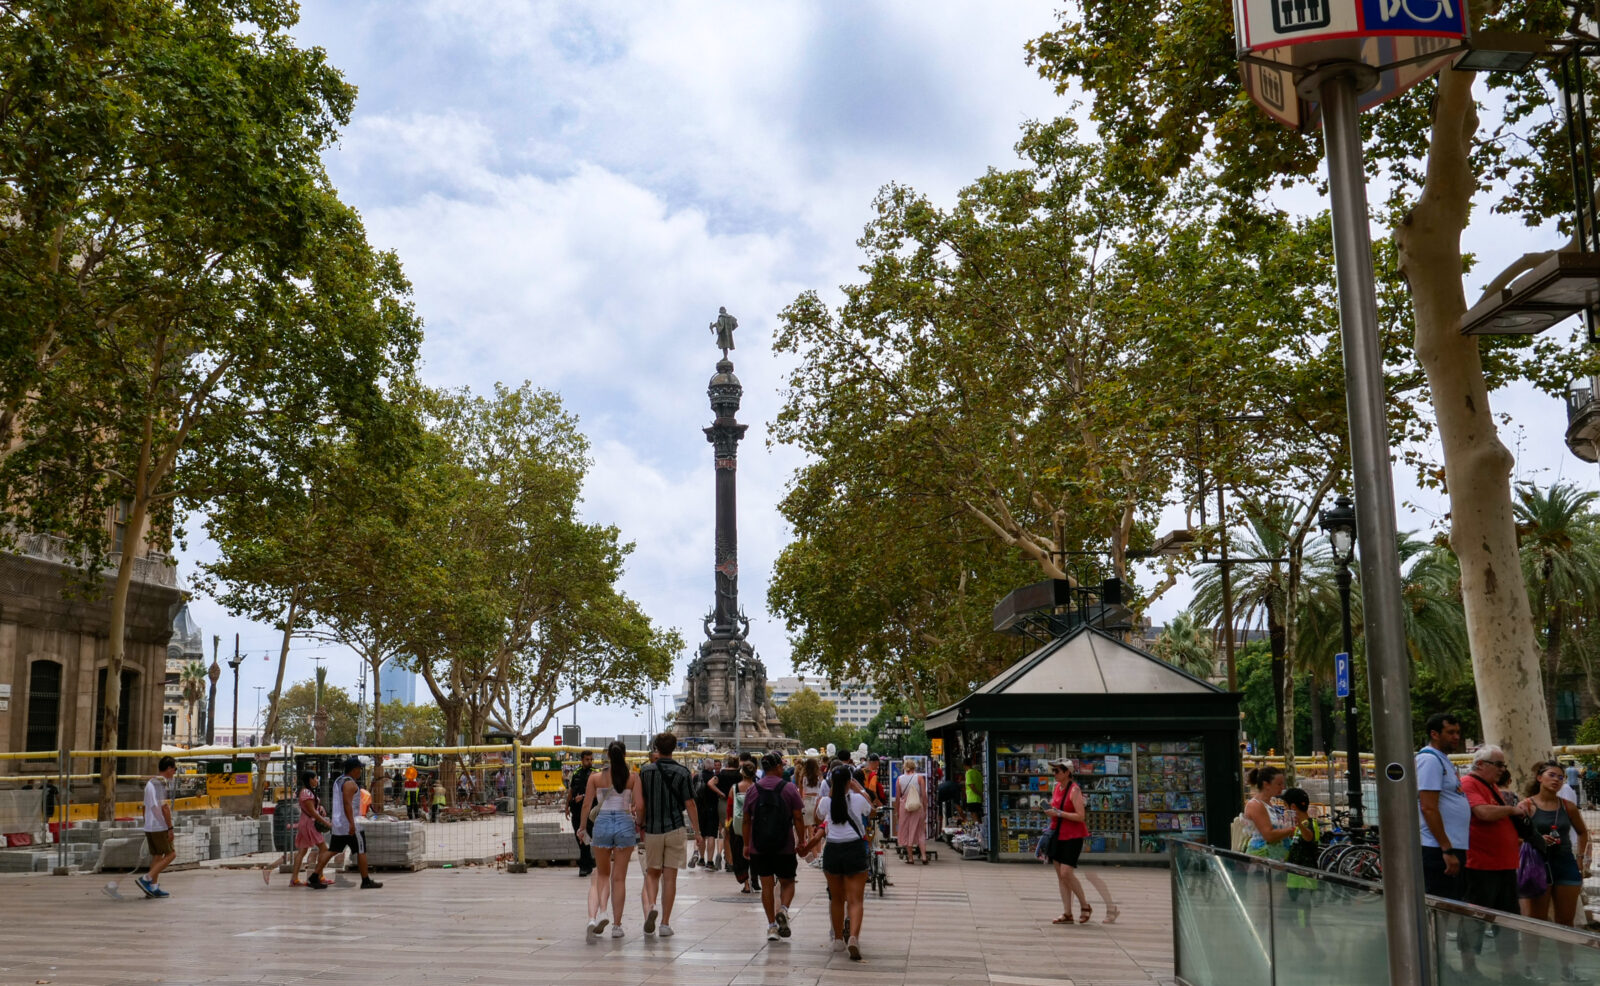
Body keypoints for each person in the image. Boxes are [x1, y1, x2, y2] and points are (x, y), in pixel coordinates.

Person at [1460, 746, 1531, 979]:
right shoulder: (1470, 783)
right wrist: (1512, 810)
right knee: (1475, 918)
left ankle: (1508, 970)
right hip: (1481, 865)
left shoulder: (1491, 787)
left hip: (1503, 864)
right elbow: (1482, 813)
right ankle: (1469, 967)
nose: (1502, 769)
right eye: (1498, 764)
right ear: (1481, 764)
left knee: (1508, 918)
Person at [1519, 760, 1591, 981]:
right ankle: (1532, 966)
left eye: (1560, 777)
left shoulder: (1567, 806)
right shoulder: (1526, 806)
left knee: (1566, 921)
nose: (1557, 780)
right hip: (1538, 866)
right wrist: (1536, 839)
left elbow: (1582, 832)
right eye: (1552, 775)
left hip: (1565, 866)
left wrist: (1581, 859)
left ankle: (1568, 969)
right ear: (1539, 778)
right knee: (1537, 919)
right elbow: (1516, 835)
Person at [743, 751, 809, 944]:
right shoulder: (789, 789)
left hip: (759, 846)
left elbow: (746, 820)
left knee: (767, 886)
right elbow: (798, 817)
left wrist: (746, 844)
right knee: (788, 882)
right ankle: (784, 910)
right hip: (784, 845)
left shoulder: (753, 790)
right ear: (778, 767)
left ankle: (772, 926)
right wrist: (802, 840)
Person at [579, 741, 641, 941]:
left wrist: (582, 828)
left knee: (602, 875)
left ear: (607, 756)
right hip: (624, 821)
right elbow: (638, 805)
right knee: (619, 878)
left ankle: (601, 914)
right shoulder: (632, 777)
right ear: (624, 755)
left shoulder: (595, 777)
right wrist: (639, 824)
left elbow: (587, 804)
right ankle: (617, 925)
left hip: (603, 823)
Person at [637, 732, 698, 939]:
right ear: (674, 748)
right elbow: (690, 803)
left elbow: (641, 804)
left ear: (656, 748)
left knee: (652, 874)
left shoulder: (645, 772)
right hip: (675, 828)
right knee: (670, 877)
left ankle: (652, 905)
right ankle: (665, 923)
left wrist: (640, 824)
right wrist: (697, 832)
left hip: (653, 829)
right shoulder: (683, 772)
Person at [817, 764, 872, 960]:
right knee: (855, 900)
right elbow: (870, 810)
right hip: (854, 848)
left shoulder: (825, 801)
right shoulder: (857, 799)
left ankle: (839, 938)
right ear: (850, 782)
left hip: (833, 849)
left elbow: (819, 815)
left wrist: (833, 791)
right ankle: (854, 938)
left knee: (836, 898)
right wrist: (859, 789)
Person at [1416, 712, 1470, 901]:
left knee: (1450, 903)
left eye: (1458, 732)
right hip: (1438, 849)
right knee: (1439, 905)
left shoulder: (1442, 759)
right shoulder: (1429, 760)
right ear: (1435, 734)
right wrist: (1446, 849)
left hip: (1452, 846)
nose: (1456, 737)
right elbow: (1428, 807)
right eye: (1450, 732)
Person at [310, 757, 382, 890]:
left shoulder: (338, 780)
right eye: (359, 769)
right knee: (361, 850)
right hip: (350, 824)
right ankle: (365, 880)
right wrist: (351, 824)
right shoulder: (350, 784)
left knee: (333, 850)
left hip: (339, 824)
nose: (360, 772)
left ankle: (314, 876)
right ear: (354, 770)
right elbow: (347, 804)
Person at [1042, 758, 1092, 924]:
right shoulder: (1056, 787)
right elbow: (1055, 806)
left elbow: (1080, 816)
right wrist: (1049, 809)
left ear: (1067, 772)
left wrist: (1059, 813)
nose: (1054, 774)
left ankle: (1085, 905)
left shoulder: (1075, 790)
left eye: (1057, 771)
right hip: (1058, 834)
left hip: (1073, 836)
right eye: (1053, 771)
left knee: (1066, 873)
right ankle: (1067, 913)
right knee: (1060, 876)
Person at [136, 756, 179, 898]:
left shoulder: (150, 783)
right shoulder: (160, 783)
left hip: (150, 826)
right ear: (168, 768)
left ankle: (153, 887)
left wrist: (147, 823)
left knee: (157, 855)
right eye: (174, 769)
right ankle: (146, 879)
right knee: (171, 854)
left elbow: (144, 807)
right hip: (159, 826)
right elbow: (164, 807)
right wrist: (169, 827)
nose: (174, 772)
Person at [1242, 765, 1300, 862]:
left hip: (1275, 860)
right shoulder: (1256, 805)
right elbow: (1269, 835)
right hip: (1261, 860)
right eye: (1279, 784)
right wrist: (1291, 829)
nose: (1282, 787)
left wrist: (1289, 824)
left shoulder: (1272, 802)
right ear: (1266, 785)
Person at [291, 771, 330, 887]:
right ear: (310, 779)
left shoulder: (306, 792)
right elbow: (312, 812)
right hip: (309, 824)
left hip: (305, 822)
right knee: (324, 848)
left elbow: (312, 808)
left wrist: (320, 808)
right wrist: (326, 823)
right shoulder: (306, 792)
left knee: (302, 851)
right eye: (315, 778)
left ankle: (294, 879)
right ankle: (319, 875)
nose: (317, 781)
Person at [727, 761, 758, 892]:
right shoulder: (757, 787)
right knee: (755, 853)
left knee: (740, 854)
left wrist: (728, 824)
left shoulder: (734, 788)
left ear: (742, 773)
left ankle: (746, 883)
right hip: (754, 824)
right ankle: (755, 880)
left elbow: (729, 807)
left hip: (738, 825)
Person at [565, 750, 596, 878]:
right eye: (587, 759)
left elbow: (598, 792)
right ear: (582, 760)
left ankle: (584, 866)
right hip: (576, 811)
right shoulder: (576, 773)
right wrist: (566, 806)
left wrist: (583, 796)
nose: (589, 762)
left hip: (590, 812)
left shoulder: (595, 773)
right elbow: (571, 791)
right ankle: (588, 863)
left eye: (591, 759)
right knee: (580, 838)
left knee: (584, 837)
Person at [896, 758, 930, 864]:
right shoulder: (919, 778)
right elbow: (924, 796)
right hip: (917, 806)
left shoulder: (899, 779)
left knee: (906, 831)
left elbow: (898, 797)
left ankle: (910, 858)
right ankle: (924, 856)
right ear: (914, 767)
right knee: (920, 831)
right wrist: (925, 808)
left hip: (904, 807)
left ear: (905, 768)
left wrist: (897, 811)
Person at [691, 759, 717, 869]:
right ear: (712, 767)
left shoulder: (697, 777)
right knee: (711, 835)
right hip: (712, 808)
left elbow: (692, 793)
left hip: (699, 809)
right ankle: (710, 861)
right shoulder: (716, 778)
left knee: (701, 834)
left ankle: (701, 859)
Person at [798, 757, 824, 860]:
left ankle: (813, 855)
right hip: (817, 803)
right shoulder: (819, 777)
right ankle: (818, 854)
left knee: (808, 832)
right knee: (816, 831)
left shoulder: (803, 777)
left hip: (807, 803)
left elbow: (801, 793)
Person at [964, 755, 984, 827]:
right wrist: (981, 794)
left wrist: (979, 793)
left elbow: (971, 786)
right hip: (978, 799)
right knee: (979, 816)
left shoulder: (968, 773)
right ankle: (981, 829)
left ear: (964, 765)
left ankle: (978, 831)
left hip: (972, 798)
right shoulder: (978, 773)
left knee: (974, 816)